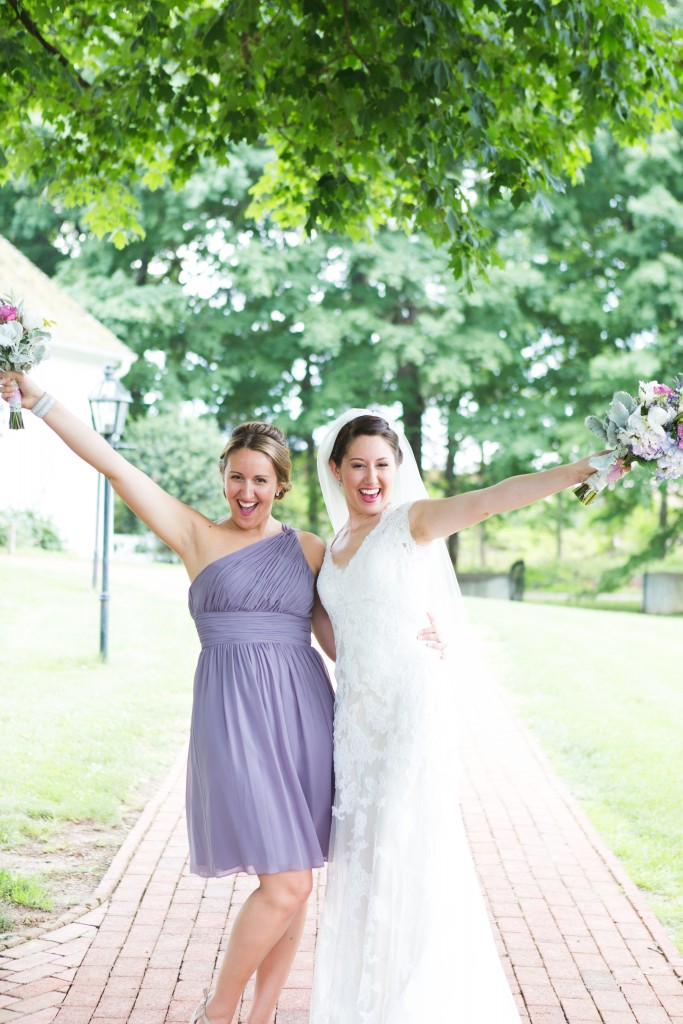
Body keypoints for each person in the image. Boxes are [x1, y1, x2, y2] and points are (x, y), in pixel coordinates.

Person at [0, 374, 442, 1024]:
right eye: (237, 477)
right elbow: (116, 469)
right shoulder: (194, 537)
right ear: (223, 479)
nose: (247, 491)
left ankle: (259, 1016)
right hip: (233, 722)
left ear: (282, 485)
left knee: (296, 881)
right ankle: (218, 1011)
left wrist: (413, 638)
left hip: (305, 719)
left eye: (261, 480)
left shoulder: (309, 549)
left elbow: (343, 636)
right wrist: (40, 402)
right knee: (285, 881)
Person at [309, 409, 613, 1024]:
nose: (372, 479)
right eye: (359, 466)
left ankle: (418, 1006)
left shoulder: (411, 522)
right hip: (356, 721)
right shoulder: (334, 546)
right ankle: (369, 1002)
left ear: (399, 470)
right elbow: (340, 637)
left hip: (408, 712)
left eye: (383, 466)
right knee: (364, 860)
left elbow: (497, 498)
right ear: (336, 470)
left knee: (406, 848)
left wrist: (589, 467)